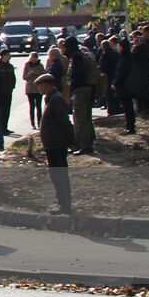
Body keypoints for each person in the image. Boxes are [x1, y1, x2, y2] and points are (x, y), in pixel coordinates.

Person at [35, 73, 75, 214]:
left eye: (39, 85)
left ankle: (65, 205)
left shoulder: (56, 100)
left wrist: (72, 142)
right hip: (52, 145)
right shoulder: (51, 99)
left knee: (60, 176)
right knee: (56, 176)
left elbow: (64, 122)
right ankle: (61, 203)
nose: (38, 88)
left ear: (47, 85)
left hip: (57, 145)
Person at [63, 36, 96, 155]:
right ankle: (87, 141)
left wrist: (72, 87)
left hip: (80, 91)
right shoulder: (81, 55)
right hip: (86, 89)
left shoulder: (76, 57)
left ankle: (84, 145)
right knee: (85, 118)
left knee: (80, 119)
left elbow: (77, 76)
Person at [21, 52, 46, 130]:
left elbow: (44, 75)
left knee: (39, 106)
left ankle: (39, 122)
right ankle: (32, 123)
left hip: (38, 88)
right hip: (30, 88)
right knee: (32, 106)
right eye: (32, 58)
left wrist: (39, 73)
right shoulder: (27, 65)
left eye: (35, 58)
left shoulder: (40, 65)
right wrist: (31, 73)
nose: (34, 59)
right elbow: (24, 77)